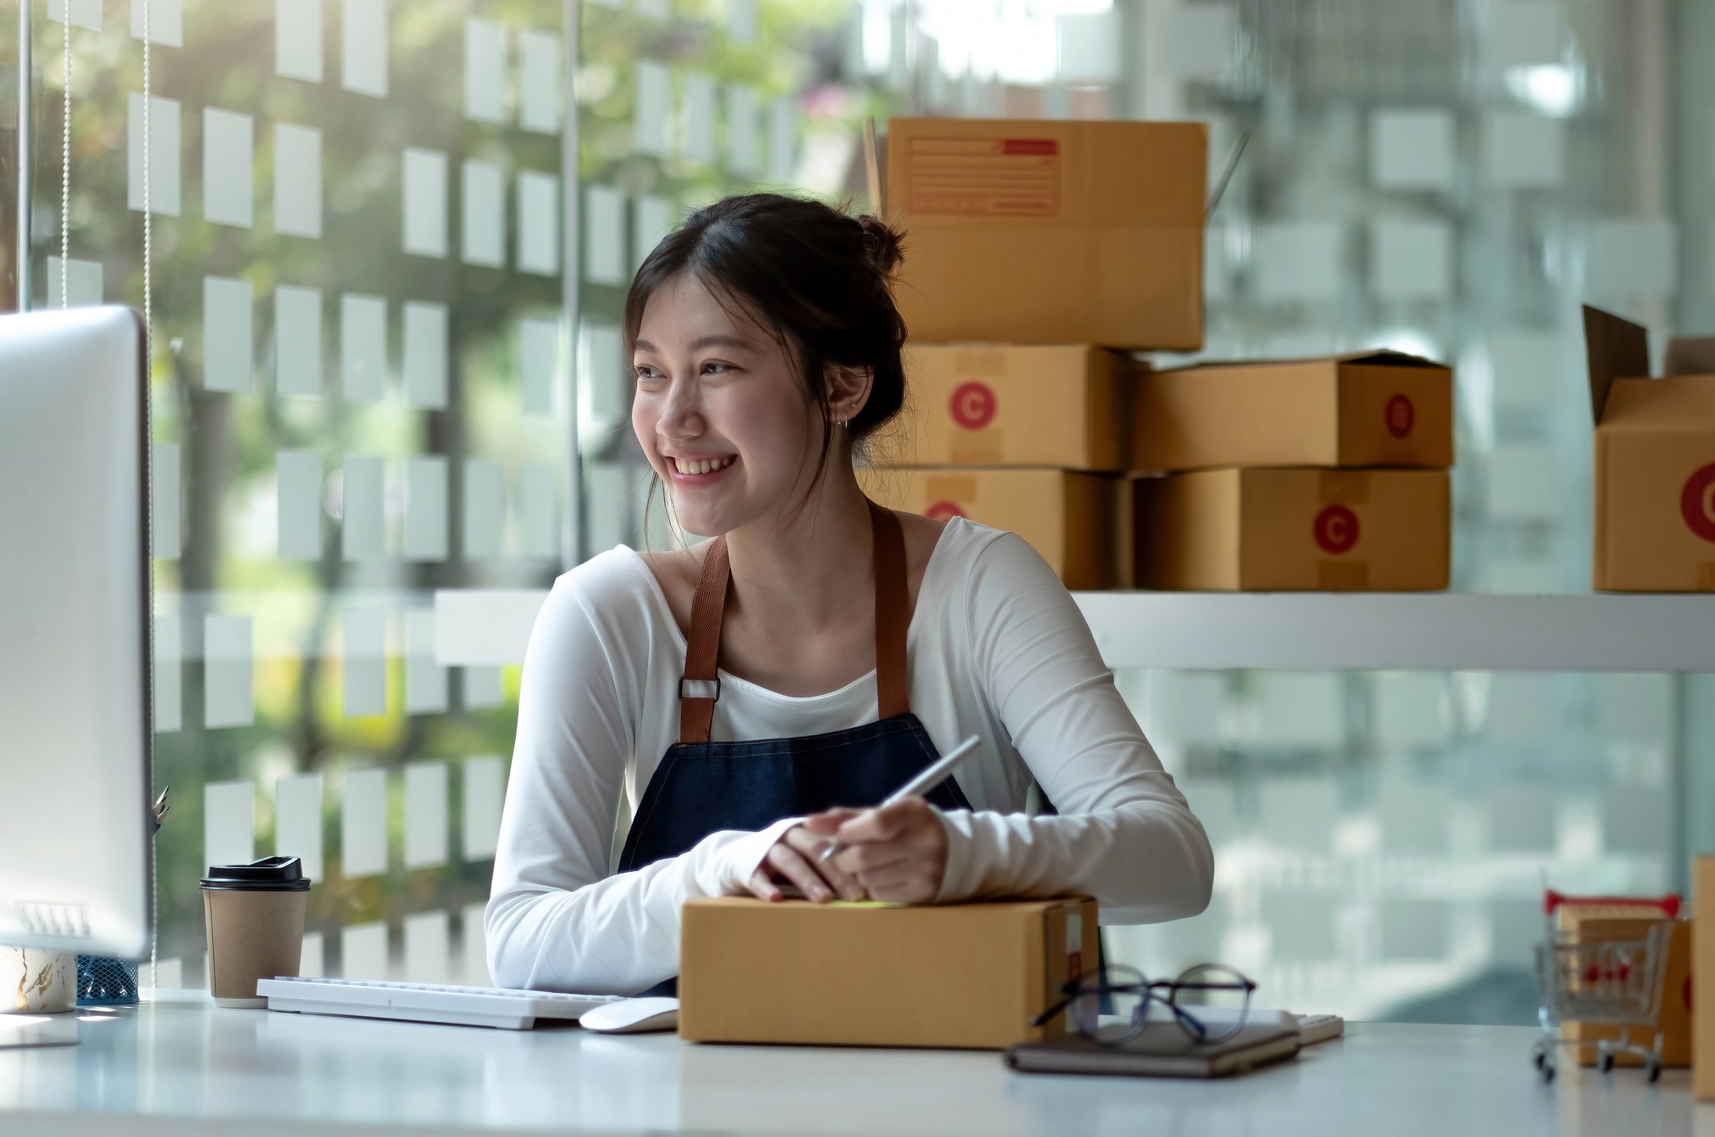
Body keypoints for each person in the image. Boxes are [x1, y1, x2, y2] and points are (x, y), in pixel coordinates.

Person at [486, 193, 1213, 995]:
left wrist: (962, 854)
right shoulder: (607, 613)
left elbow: (1174, 861)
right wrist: (722, 871)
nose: (672, 420)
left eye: (716, 368)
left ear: (843, 387)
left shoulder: (980, 585)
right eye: (651, 373)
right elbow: (522, 940)